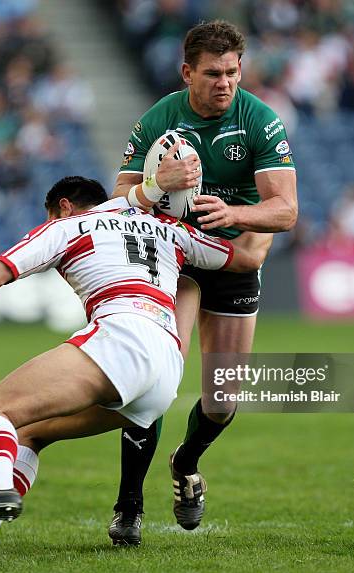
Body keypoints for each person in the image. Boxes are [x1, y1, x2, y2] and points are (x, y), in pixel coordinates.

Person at [0, 175, 268, 556]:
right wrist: (257, 220)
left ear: (63, 206)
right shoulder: (169, 228)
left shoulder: (68, 226)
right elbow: (244, 259)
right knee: (29, 434)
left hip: (121, 337)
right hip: (163, 374)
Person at [108, 19, 298, 545]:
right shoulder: (159, 119)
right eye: (213, 73)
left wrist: (234, 211)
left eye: (233, 73)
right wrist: (156, 185)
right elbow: (120, 199)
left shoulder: (258, 120)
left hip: (235, 261)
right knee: (158, 384)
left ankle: (185, 462)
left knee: (221, 402)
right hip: (179, 264)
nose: (226, 83)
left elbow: (285, 211)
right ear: (187, 71)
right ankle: (129, 506)